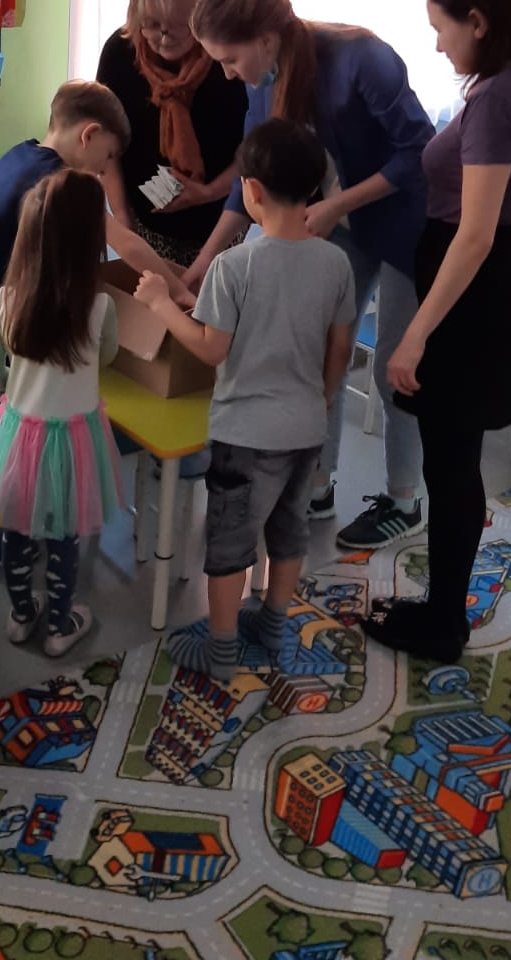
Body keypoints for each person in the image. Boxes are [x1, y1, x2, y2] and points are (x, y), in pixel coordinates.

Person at [185, 0, 435, 551]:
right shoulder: (262, 84)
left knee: (394, 365)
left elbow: (419, 151)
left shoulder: (361, 59)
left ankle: (404, 499)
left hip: (404, 224)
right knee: (323, 353)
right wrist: (200, 266)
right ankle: (316, 485)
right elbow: (249, 180)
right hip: (339, 223)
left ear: (266, 39)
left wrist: (337, 206)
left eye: (229, 59)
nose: (228, 73)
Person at [364, 0, 511, 663]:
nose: (438, 43)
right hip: (491, 281)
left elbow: (474, 235)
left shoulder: (499, 98)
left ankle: (442, 621)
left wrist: (416, 333)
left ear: (477, 21)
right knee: (457, 462)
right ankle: (443, 607)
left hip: (471, 295)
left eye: (442, 28)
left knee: (450, 466)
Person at [0, 79, 189, 569]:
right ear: (88, 135)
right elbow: (126, 243)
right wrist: (180, 291)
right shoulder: (53, 179)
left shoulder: (23, 154)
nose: (103, 171)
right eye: (106, 159)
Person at [135, 119, 355, 684]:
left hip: (244, 434)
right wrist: (324, 397)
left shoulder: (234, 265)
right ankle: (274, 625)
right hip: (307, 427)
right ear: (314, 188)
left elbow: (211, 348)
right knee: (289, 531)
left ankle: (222, 649)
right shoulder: (336, 263)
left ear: (250, 190)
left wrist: (160, 303)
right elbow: (341, 346)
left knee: (230, 543)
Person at [0, 169, 123, 657]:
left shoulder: (5, 302)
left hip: (19, 433)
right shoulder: (100, 307)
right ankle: (60, 625)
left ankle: (22, 616)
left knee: (16, 527)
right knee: (65, 533)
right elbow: (105, 358)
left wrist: (18, 386)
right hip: (76, 438)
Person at [97, 0, 247, 268]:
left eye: (177, 24)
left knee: (210, 297)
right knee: (157, 296)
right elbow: (106, 146)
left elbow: (254, 148)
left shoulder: (228, 59)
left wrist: (208, 191)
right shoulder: (119, 53)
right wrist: (123, 221)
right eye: (152, 25)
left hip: (220, 221)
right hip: (145, 224)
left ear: (199, 12)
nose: (164, 37)